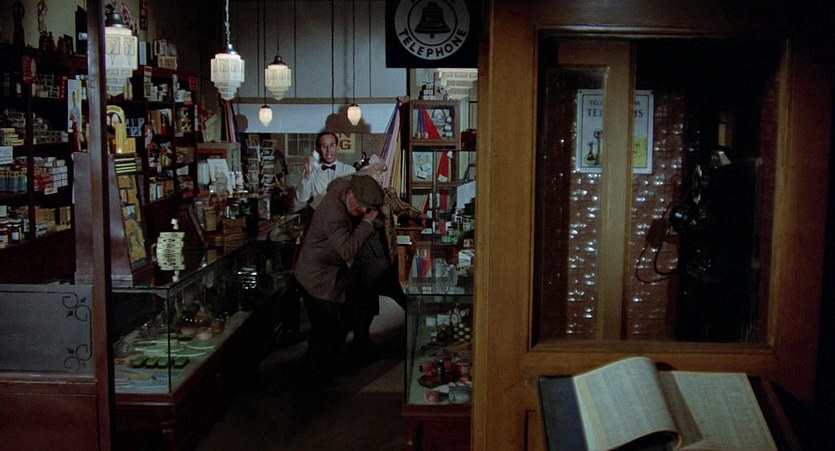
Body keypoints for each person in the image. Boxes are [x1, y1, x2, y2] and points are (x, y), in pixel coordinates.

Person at [293, 174, 384, 389]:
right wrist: (367, 223)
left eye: (366, 210)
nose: (362, 212)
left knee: (328, 328)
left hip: (328, 274)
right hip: (315, 278)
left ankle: (315, 370)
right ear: (351, 193)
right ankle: (317, 382)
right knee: (330, 329)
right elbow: (347, 250)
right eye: (361, 207)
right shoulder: (334, 212)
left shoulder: (348, 188)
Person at [350, 154, 429, 361]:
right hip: (364, 258)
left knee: (399, 296)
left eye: (379, 173)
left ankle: (419, 334)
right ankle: (361, 344)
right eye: (375, 173)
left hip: (384, 258)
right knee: (364, 304)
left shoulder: (386, 194)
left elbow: (401, 208)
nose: (378, 177)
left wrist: (419, 216)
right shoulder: (355, 195)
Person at [293, 131, 356, 226]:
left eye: (332, 145)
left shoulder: (349, 170)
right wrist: (307, 175)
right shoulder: (311, 171)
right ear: (318, 150)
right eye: (324, 146)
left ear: (337, 148)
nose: (328, 150)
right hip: (315, 220)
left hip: (341, 222)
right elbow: (302, 198)